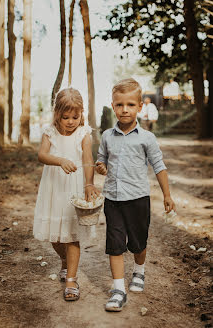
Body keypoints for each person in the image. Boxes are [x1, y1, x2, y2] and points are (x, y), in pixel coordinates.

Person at [96, 78, 175, 312]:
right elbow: (101, 160)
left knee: (138, 243)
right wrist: (100, 166)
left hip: (138, 199)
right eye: (120, 105)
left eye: (130, 104)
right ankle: (118, 289)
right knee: (115, 244)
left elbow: (159, 166)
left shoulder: (147, 138)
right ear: (113, 105)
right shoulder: (107, 136)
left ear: (140, 107)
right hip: (113, 199)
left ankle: (139, 270)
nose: (125, 110)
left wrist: (167, 195)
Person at [33, 88, 99, 301]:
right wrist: (59, 160)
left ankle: (71, 279)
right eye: (65, 117)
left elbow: (88, 160)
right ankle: (64, 261)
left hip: (74, 188)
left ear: (82, 114)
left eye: (75, 116)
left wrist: (89, 184)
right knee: (55, 237)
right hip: (53, 187)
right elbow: (42, 155)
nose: (71, 121)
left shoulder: (84, 134)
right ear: (57, 114)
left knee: (71, 235)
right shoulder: (50, 132)